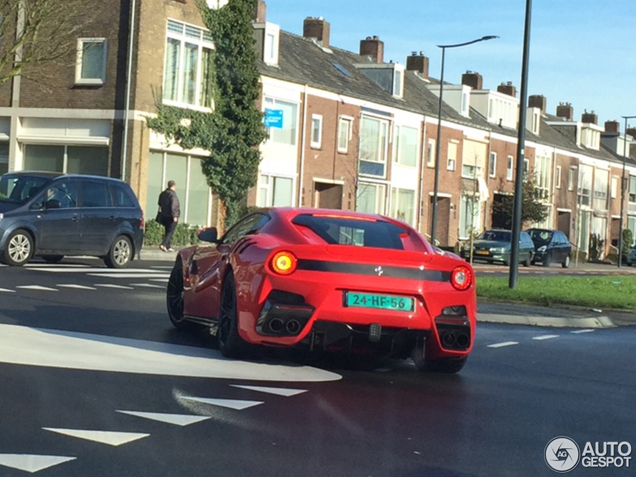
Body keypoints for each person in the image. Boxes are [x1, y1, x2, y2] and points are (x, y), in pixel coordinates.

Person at [157, 180, 180, 252]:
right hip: (171, 216)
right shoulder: (172, 195)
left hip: (164, 215)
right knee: (171, 231)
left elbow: (159, 203)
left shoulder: (163, 194)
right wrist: (175, 215)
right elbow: (174, 205)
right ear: (174, 186)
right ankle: (163, 244)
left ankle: (168, 246)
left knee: (167, 230)